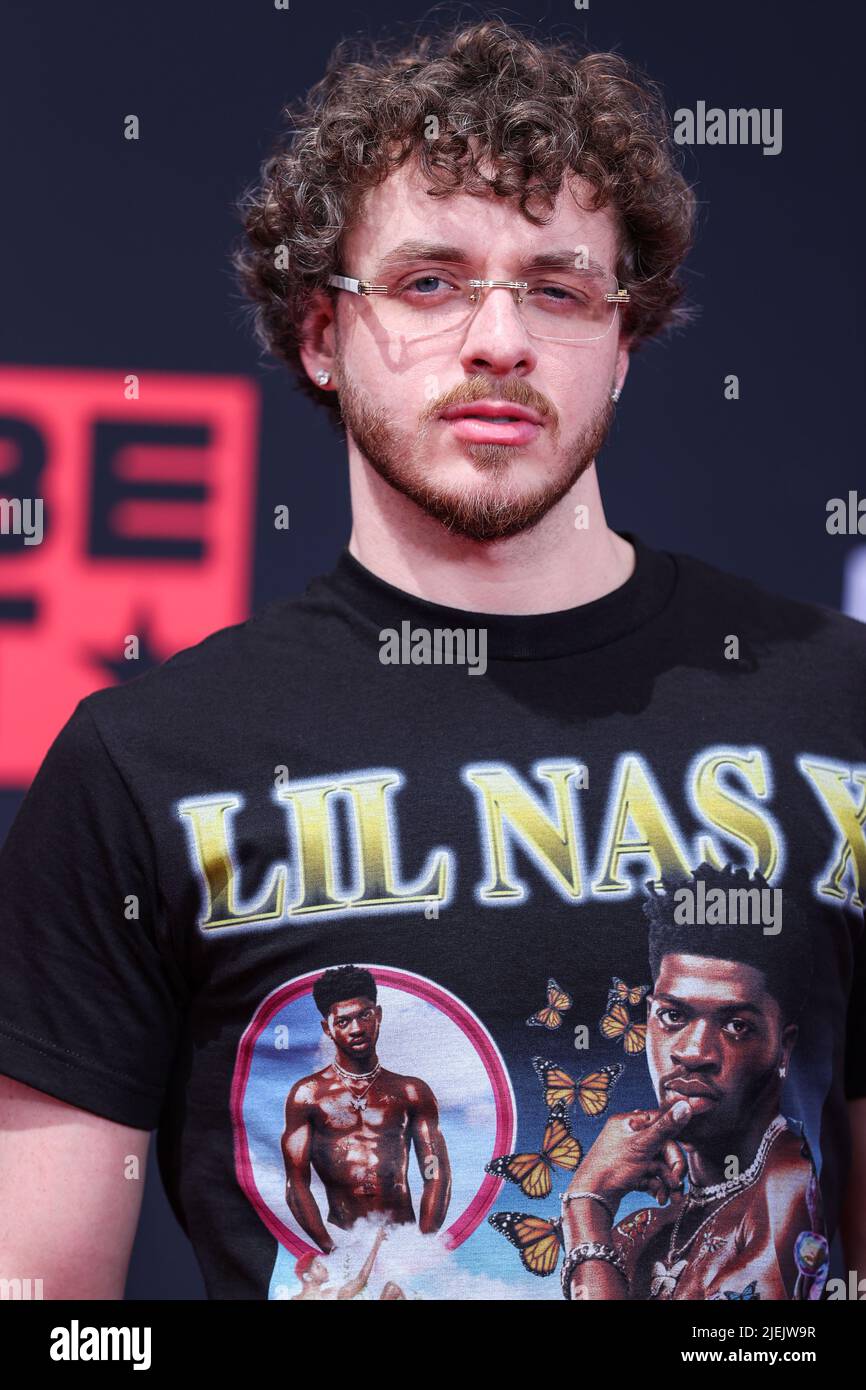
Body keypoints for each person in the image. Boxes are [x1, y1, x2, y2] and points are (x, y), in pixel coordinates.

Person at [0, 18, 864, 1301]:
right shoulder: (144, 765)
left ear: (621, 342)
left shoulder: (836, 704)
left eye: (558, 289)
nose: (499, 340)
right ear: (318, 336)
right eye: (428, 282)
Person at [560, 864, 828, 1300]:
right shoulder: (640, 1234)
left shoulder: (796, 1187)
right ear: (648, 1018)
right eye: (673, 1016)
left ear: (784, 1046)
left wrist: (585, 1205)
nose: (693, 1052)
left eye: (737, 1026)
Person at [282, 965, 451, 1244]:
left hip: (404, 1237)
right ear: (328, 1029)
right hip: (342, 1236)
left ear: (379, 1016)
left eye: (364, 1015)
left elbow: (435, 1172)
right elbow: (296, 1184)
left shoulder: (411, 1092)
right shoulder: (308, 1095)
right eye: (344, 1022)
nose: (357, 1028)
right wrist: (331, 1249)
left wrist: (422, 1244)